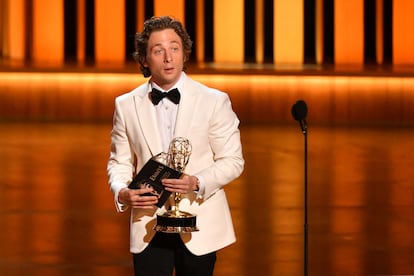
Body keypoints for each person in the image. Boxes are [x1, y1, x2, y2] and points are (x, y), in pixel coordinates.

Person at [107, 15, 244, 276]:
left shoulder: (214, 101)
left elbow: (233, 161)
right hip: (148, 223)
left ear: (184, 54)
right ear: (145, 59)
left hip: (200, 227)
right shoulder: (126, 105)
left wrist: (197, 182)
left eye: (174, 48)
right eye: (158, 51)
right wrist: (121, 192)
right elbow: (119, 161)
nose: (168, 57)